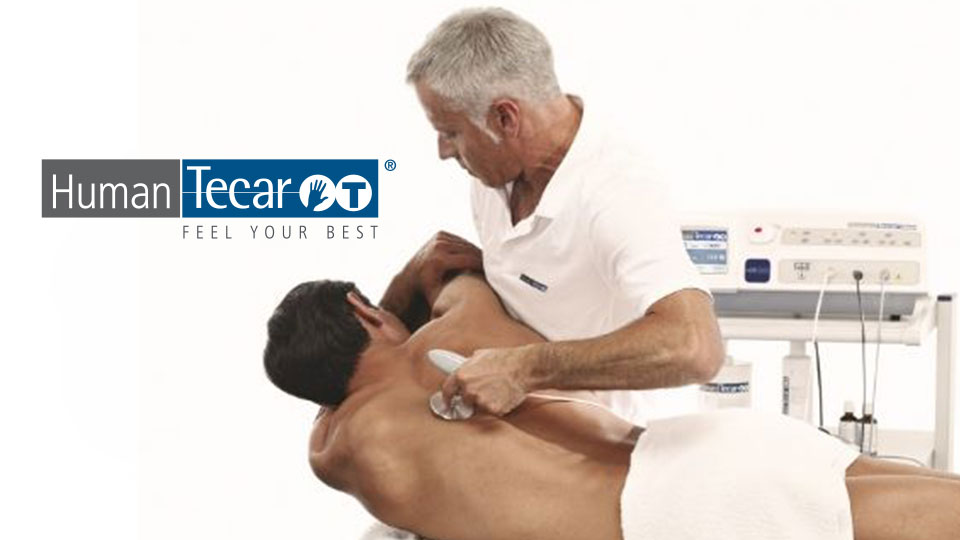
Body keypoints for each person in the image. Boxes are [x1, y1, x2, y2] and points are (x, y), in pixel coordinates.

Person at [263, 273, 960, 540]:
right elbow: (455, 270)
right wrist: (414, 285)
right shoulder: (448, 340)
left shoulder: (336, 448)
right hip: (697, 466)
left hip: (678, 510)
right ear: (365, 312)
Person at [398, 7, 725, 423]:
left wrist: (523, 368)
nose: (443, 151)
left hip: (615, 441)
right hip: (530, 419)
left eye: (450, 133)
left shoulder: (616, 193)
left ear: (505, 118)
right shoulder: (495, 172)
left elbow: (694, 347)